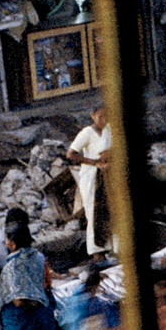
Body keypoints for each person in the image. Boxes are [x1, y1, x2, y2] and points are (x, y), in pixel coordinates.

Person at [67, 106, 114, 255]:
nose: (103, 120)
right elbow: (71, 154)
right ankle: (96, 252)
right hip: (92, 178)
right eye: (100, 117)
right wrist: (94, 162)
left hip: (108, 177)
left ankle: (114, 249)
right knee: (93, 214)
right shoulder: (87, 133)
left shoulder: (110, 130)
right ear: (93, 116)